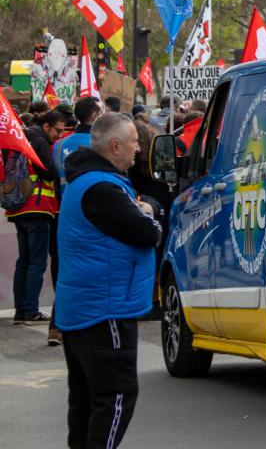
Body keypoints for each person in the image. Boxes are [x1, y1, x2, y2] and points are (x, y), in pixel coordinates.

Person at [56, 112, 162, 449]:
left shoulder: (88, 181)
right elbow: (147, 233)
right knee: (115, 397)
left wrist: (145, 208)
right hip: (105, 308)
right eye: (134, 142)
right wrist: (150, 214)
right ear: (114, 146)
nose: (138, 149)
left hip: (86, 306)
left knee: (87, 401)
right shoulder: (101, 188)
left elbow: (137, 213)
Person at [6, 109, 64, 326]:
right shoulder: (40, 142)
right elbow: (49, 172)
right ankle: (31, 310)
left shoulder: (21, 139)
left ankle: (21, 311)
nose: (59, 135)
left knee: (24, 261)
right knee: (37, 262)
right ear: (46, 126)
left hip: (19, 208)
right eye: (57, 131)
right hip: (38, 207)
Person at [54, 97, 103, 189]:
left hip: (65, 196)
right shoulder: (102, 144)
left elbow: (56, 181)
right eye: (102, 114)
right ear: (94, 116)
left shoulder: (59, 145)